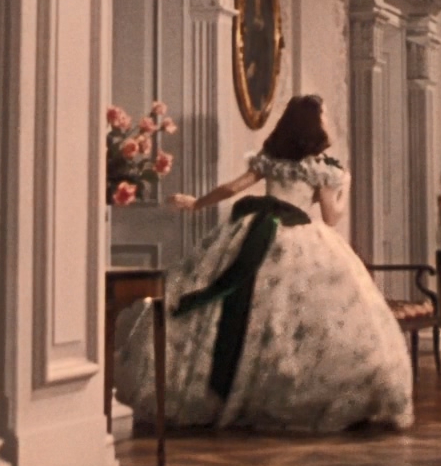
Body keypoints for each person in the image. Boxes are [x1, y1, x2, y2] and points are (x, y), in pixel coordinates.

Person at [114, 93, 414, 431]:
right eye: (323, 115)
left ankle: (235, 391)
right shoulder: (322, 169)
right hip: (300, 237)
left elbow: (232, 188)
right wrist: (344, 188)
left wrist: (198, 203)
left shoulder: (270, 160)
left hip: (254, 233)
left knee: (250, 310)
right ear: (312, 125)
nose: (328, 121)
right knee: (291, 318)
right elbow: (332, 217)